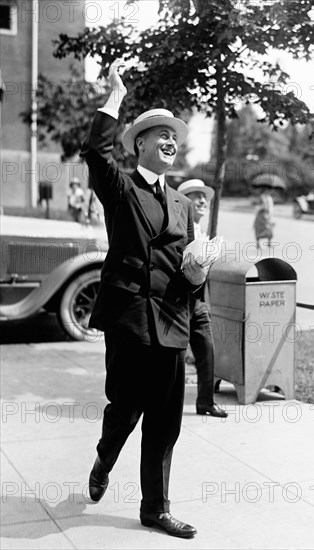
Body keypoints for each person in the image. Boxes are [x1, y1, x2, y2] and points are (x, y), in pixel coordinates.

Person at [80, 59, 209, 539]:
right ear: (139, 145)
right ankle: (104, 455)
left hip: (171, 320)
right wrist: (114, 96)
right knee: (125, 409)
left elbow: (191, 267)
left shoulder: (183, 204)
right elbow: (94, 149)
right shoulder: (120, 187)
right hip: (130, 316)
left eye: (174, 137)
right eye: (160, 135)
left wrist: (197, 277)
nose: (170, 142)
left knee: (164, 421)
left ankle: (155, 507)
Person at [177, 179, 228, 418]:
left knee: (207, 350)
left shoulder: (203, 233)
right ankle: (165, 405)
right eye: (195, 196)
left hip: (197, 303)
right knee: (173, 359)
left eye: (203, 197)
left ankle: (205, 402)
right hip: (177, 303)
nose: (201, 201)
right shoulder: (177, 229)